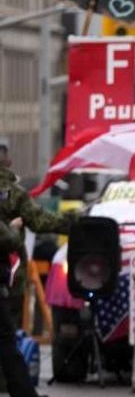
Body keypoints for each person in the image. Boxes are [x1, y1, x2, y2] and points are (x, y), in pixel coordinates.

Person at [0, 143, 74, 397]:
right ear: (7, 162)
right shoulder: (14, 192)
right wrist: (72, 223)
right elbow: (40, 221)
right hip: (8, 274)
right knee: (7, 335)